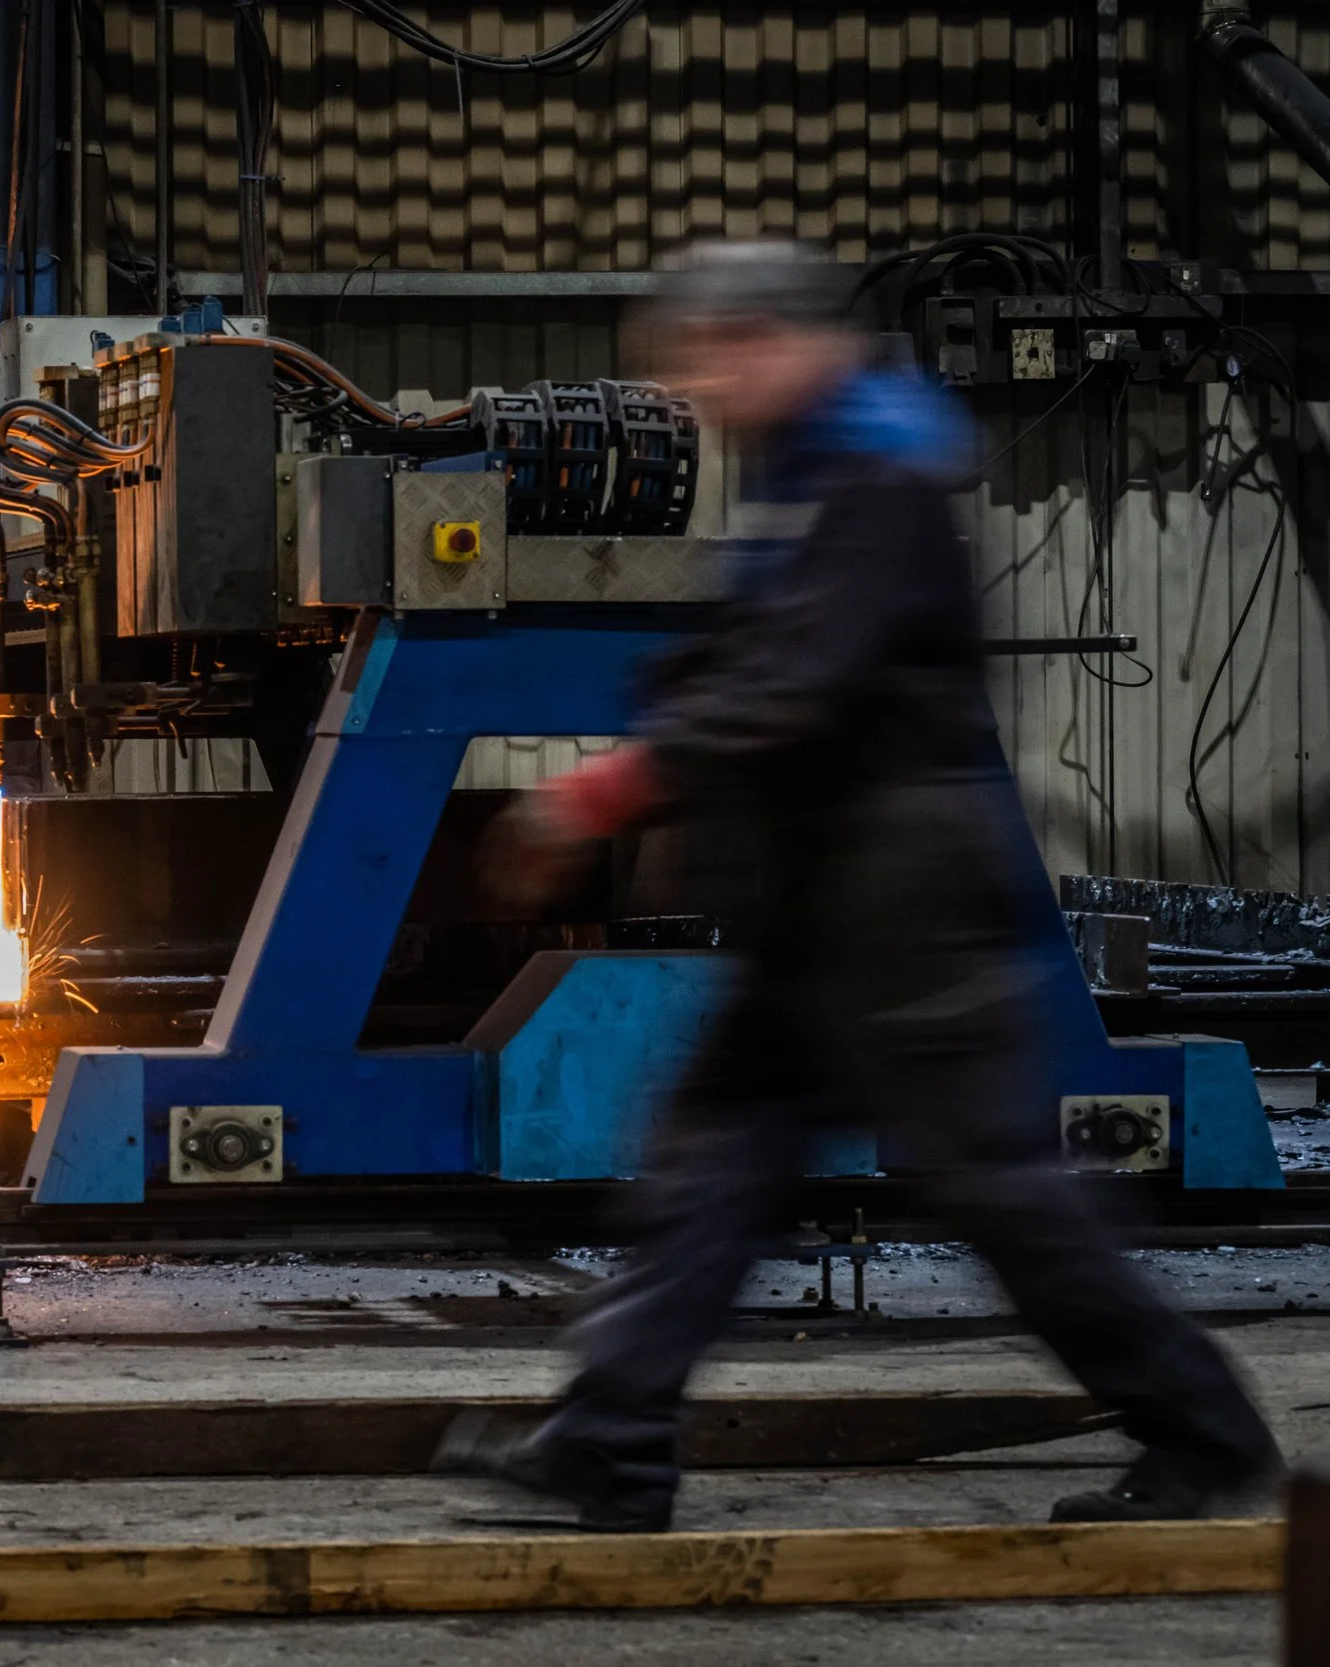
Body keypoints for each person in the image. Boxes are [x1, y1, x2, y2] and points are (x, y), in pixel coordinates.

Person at [434, 241, 1281, 1531]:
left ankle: (1207, 1433)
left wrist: (615, 785)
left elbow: (801, 680)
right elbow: (745, 655)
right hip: (815, 890)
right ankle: (607, 1440)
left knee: (995, 1184)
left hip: (898, 903)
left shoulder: (874, 467)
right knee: (713, 1164)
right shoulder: (808, 466)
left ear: (780, 340)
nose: (701, 394)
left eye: (713, 362)